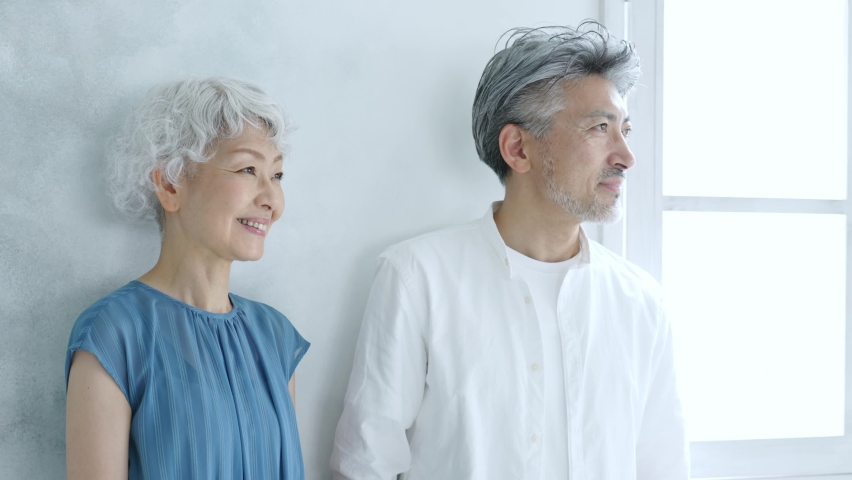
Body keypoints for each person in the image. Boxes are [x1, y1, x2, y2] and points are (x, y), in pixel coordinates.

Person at [330, 21, 688, 479]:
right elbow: (365, 465)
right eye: (600, 128)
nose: (626, 156)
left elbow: (663, 467)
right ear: (518, 148)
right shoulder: (417, 279)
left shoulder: (641, 303)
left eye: (626, 129)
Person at [65, 77, 310, 480]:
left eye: (278, 175)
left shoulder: (275, 336)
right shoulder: (114, 334)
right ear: (170, 183)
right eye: (248, 169)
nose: (272, 200)